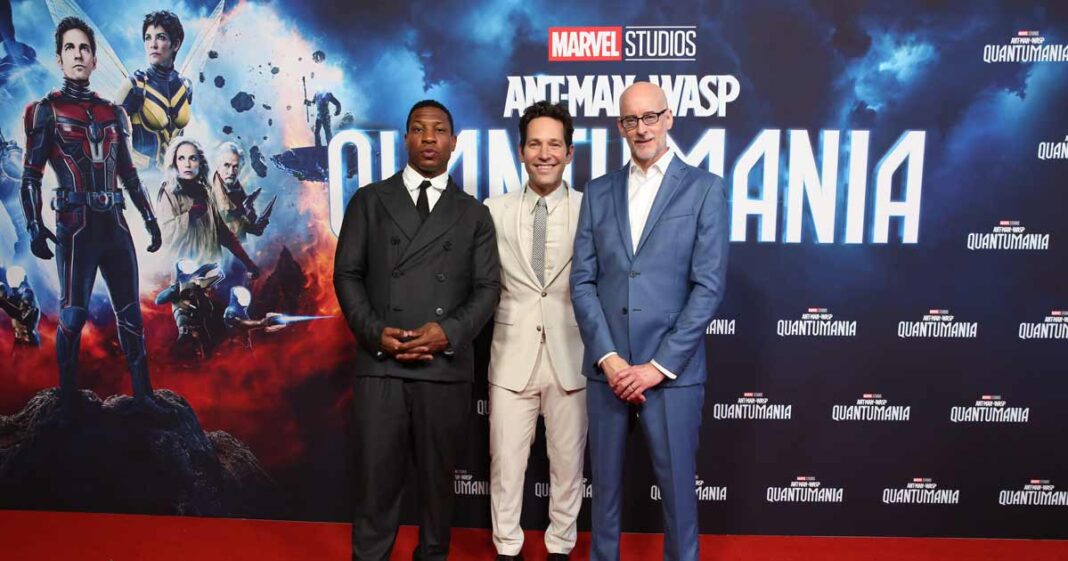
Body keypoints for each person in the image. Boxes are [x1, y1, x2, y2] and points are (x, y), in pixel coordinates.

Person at [334, 99, 500, 561]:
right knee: (375, 484)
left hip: (443, 369)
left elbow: (488, 288)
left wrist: (448, 332)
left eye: (439, 130)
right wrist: (375, 333)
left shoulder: (474, 214)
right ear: (406, 138)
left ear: (454, 141)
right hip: (381, 365)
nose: (429, 138)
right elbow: (346, 275)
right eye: (419, 129)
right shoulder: (369, 201)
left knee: (437, 488)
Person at [570, 82, 729, 561]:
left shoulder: (705, 189)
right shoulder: (597, 192)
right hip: (608, 371)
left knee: (678, 495)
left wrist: (658, 367)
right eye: (630, 120)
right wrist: (609, 358)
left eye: (650, 117)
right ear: (620, 126)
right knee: (604, 494)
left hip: (672, 375)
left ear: (668, 118)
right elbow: (582, 281)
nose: (641, 129)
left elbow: (708, 287)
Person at [20, 16, 163, 411]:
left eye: (84, 48)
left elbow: (129, 174)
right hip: (75, 227)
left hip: (114, 224)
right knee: (73, 314)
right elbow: (31, 176)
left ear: (95, 59)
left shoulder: (113, 112)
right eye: (70, 47)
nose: (78, 54)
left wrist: (149, 218)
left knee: (131, 315)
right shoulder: (46, 111)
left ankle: (145, 397)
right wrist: (34, 226)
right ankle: (66, 400)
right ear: (59, 58)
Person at [483, 101, 586, 561]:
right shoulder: (493, 210)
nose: (545, 153)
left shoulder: (592, 209)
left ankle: (561, 546)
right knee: (506, 465)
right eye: (535, 144)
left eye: (554, 145)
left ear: (569, 152)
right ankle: (507, 547)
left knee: (569, 466)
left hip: (573, 354)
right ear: (521, 151)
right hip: (511, 355)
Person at [155, 138, 260, 278]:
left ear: (200, 162)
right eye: (181, 158)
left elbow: (224, 234)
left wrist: (248, 263)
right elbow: (164, 234)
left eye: (193, 158)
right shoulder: (169, 192)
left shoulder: (206, 192)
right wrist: (189, 216)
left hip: (212, 270)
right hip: (184, 273)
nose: (187, 164)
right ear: (174, 162)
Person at [117, 11, 192, 168]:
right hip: (141, 176)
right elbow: (108, 136)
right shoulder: (135, 85)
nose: (153, 44)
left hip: (175, 176)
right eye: (148, 38)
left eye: (161, 37)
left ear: (176, 44)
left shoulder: (185, 86)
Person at [211, 141, 272, 241]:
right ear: (218, 166)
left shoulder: (236, 189)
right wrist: (242, 210)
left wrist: (258, 226)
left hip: (238, 245)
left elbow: (246, 225)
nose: (231, 172)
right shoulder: (208, 191)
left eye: (235, 167)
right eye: (226, 165)